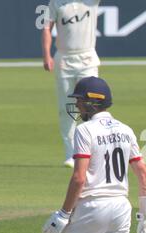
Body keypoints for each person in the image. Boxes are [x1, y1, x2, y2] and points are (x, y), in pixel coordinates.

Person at [42, 76, 146, 233]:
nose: (76, 105)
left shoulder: (85, 130)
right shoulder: (126, 130)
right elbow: (143, 175)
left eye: (80, 100)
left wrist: (63, 214)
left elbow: (79, 178)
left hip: (92, 205)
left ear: (91, 103)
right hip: (121, 209)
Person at [42, 0, 102, 168]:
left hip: (87, 58)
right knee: (67, 107)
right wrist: (47, 55)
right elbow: (47, 27)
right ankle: (71, 153)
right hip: (64, 59)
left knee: (92, 104)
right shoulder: (56, 3)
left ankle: (95, 150)